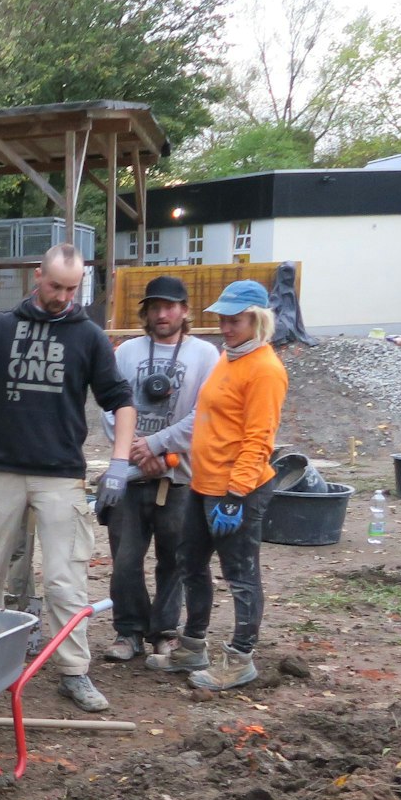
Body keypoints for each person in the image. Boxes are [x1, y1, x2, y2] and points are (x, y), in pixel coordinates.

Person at [0, 244, 137, 712]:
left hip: (60, 475)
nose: (62, 296)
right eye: (55, 285)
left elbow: (120, 400)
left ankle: (74, 672)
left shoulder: (89, 337)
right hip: (1, 472)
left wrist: (119, 464)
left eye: (71, 288)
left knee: (65, 579)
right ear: (38, 276)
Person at [147, 280, 289, 690]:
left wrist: (235, 495)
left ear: (258, 321)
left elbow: (259, 439)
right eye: (222, 320)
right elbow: (213, 422)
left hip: (235, 489)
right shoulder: (230, 358)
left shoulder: (265, 370)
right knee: (189, 562)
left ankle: (241, 658)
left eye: (234, 321)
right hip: (203, 482)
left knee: (240, 573)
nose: (225, 327)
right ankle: (193, 646)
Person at [98, 275, 220, 662]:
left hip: (179, 475)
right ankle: (128, 630)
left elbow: (205, 415)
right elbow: (107, 405)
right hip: (131, 476)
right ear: (145, 312)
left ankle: (165, 631)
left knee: (176, 559)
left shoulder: (205, 355)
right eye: (154, 307)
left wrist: (157, 445)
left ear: (185, 311)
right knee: (126, 560)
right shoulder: (127, 353)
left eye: (170, 307)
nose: (162, 313)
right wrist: (134, 450)